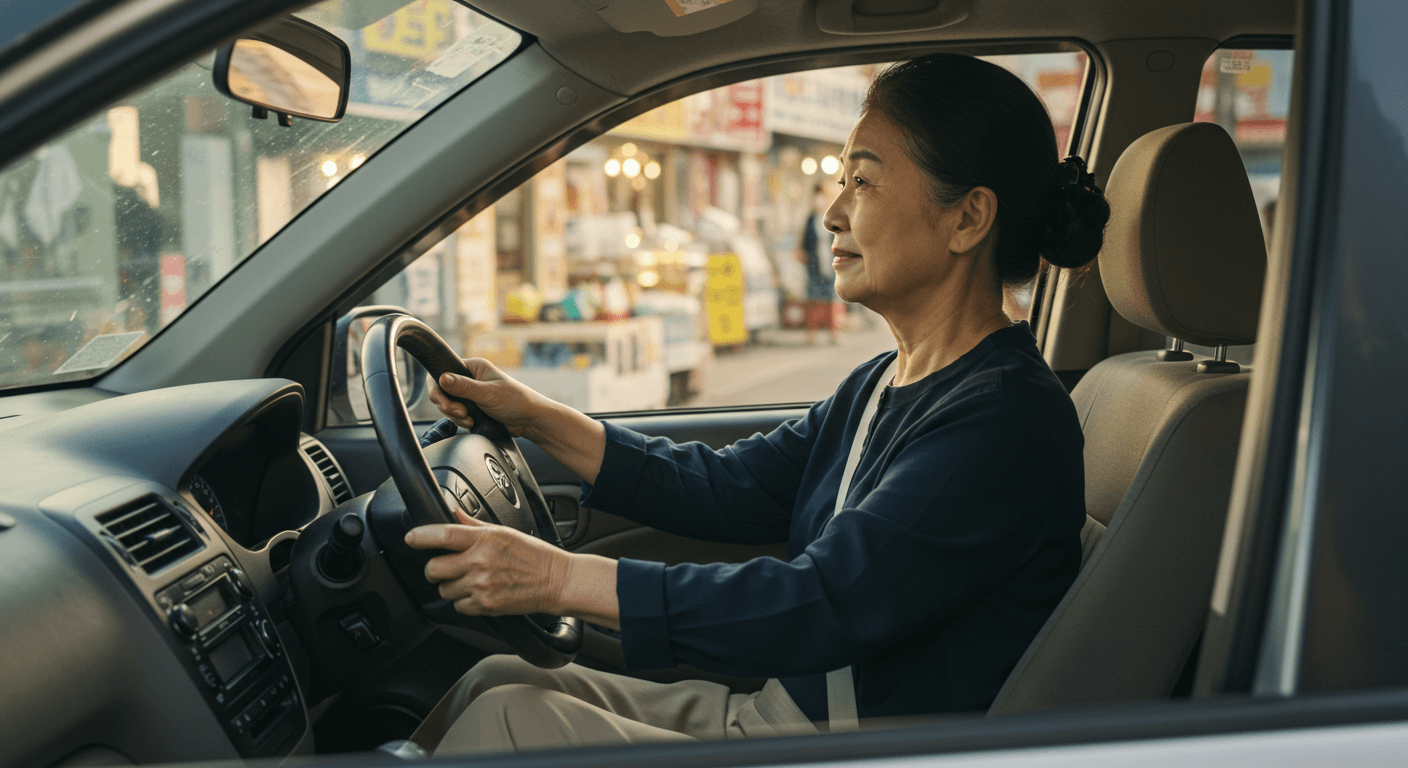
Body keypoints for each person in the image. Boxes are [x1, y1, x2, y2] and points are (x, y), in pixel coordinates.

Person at [405, 53, 1111, 755]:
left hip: (857, 745)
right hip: (787, 710)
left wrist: (555, 577)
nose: (832, 213)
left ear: (968, 219)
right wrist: (533, 416)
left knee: (508, 725)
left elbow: (820, 601)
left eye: (861, 181)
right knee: (497, 679)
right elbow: (730, 488)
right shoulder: (883, 383)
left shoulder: (1004, 422)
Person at [797, 183, 841, 344]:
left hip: (831, 262)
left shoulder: (832, 218)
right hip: (814, 264)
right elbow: (802, 242)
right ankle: (811, 334)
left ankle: (833, 333)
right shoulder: (809, 220)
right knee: (813, 300)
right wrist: (801, 253)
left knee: (831, 300)